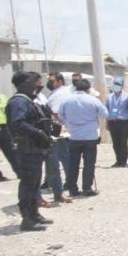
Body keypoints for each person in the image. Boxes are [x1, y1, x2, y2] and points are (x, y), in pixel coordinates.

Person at [6, 71, 53, 231]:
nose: (37, 85)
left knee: (35, 184)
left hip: (35, 149)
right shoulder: (19, 101)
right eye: (34, 81)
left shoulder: (29, 100)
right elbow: (18, 123)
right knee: (28, 184)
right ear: (24, 83)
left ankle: (34, 214)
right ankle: (27, 219)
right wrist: (37, 133)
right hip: (27, 149)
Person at [59, 78, 108, 197]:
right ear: (88, 89)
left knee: (73, 164)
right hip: (90, 136)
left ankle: (72, 189)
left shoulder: (66, 100)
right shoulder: (93, 100)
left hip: (74, 136)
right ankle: (87, 188)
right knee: (89, 164)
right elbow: (105, 114)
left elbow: (61, 115)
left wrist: (69, 123)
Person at [45, 73, 73, 204]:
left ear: (60, 81)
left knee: (62, 157)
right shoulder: (65, 92)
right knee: (64, 156)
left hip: (60, 130)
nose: (50, 83)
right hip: (67, 129)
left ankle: (68, 182)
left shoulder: (59, 94)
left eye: (52, 81)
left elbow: (56, 114)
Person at [105, 76, 128, 168]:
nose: (116, 86)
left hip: (123, 122)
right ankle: (118, 160)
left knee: (123, 142)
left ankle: (123, 161)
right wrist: (107, 123)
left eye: (118, 84)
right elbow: (107, 110)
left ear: (122, 85)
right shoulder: (109, 97)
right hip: (112, 122)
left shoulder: (127, 97)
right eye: (115, 84)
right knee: (115, 143)